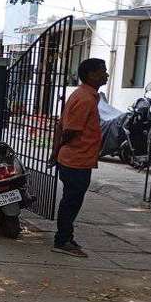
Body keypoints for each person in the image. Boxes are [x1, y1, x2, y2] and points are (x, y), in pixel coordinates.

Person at [48, 58, 110, 257]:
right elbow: (70, 130)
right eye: (103, 71)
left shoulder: (84, 95)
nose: (106, 75)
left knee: (72, 200)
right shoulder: (84, 98)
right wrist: (58, 149)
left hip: (78, 159)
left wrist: (55, 151)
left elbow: (61, 126)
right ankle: (63, 240)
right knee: (71, 201)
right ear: (91, 75)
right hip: (75, 159)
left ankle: (66, 237)